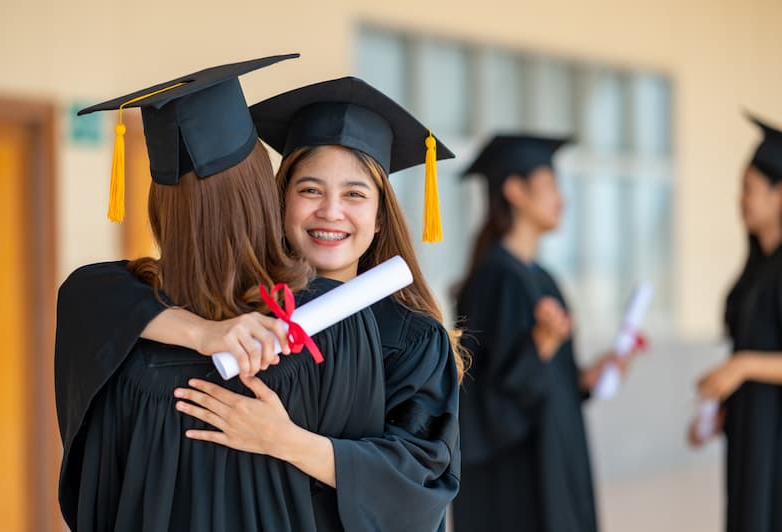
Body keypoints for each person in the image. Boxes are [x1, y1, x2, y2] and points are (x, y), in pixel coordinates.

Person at [59, 76, 464, 531]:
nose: (331, 211)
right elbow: (95, 293)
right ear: (276, 201)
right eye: (310, 190)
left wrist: (287, 441)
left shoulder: (411, 336)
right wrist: (199, 331)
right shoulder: (235, 308)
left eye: (354, 194)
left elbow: (421, 481)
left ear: (379, 215)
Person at [452, 134, 635, 532]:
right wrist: (541, 344)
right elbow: (489, 398)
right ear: (515, 191)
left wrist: (587, 377)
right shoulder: (494, 279)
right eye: (550, 185)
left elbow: (554, 382)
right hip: (518, 474)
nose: (561, 199)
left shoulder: (543, 279)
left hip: (556, 456)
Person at [692, 114, 782, 532]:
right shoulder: (754, 271)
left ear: (779, 193)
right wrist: (717, 413)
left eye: (749, 188)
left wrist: (742, 365)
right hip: (749, 435)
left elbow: (747, 359)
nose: (740, 199)